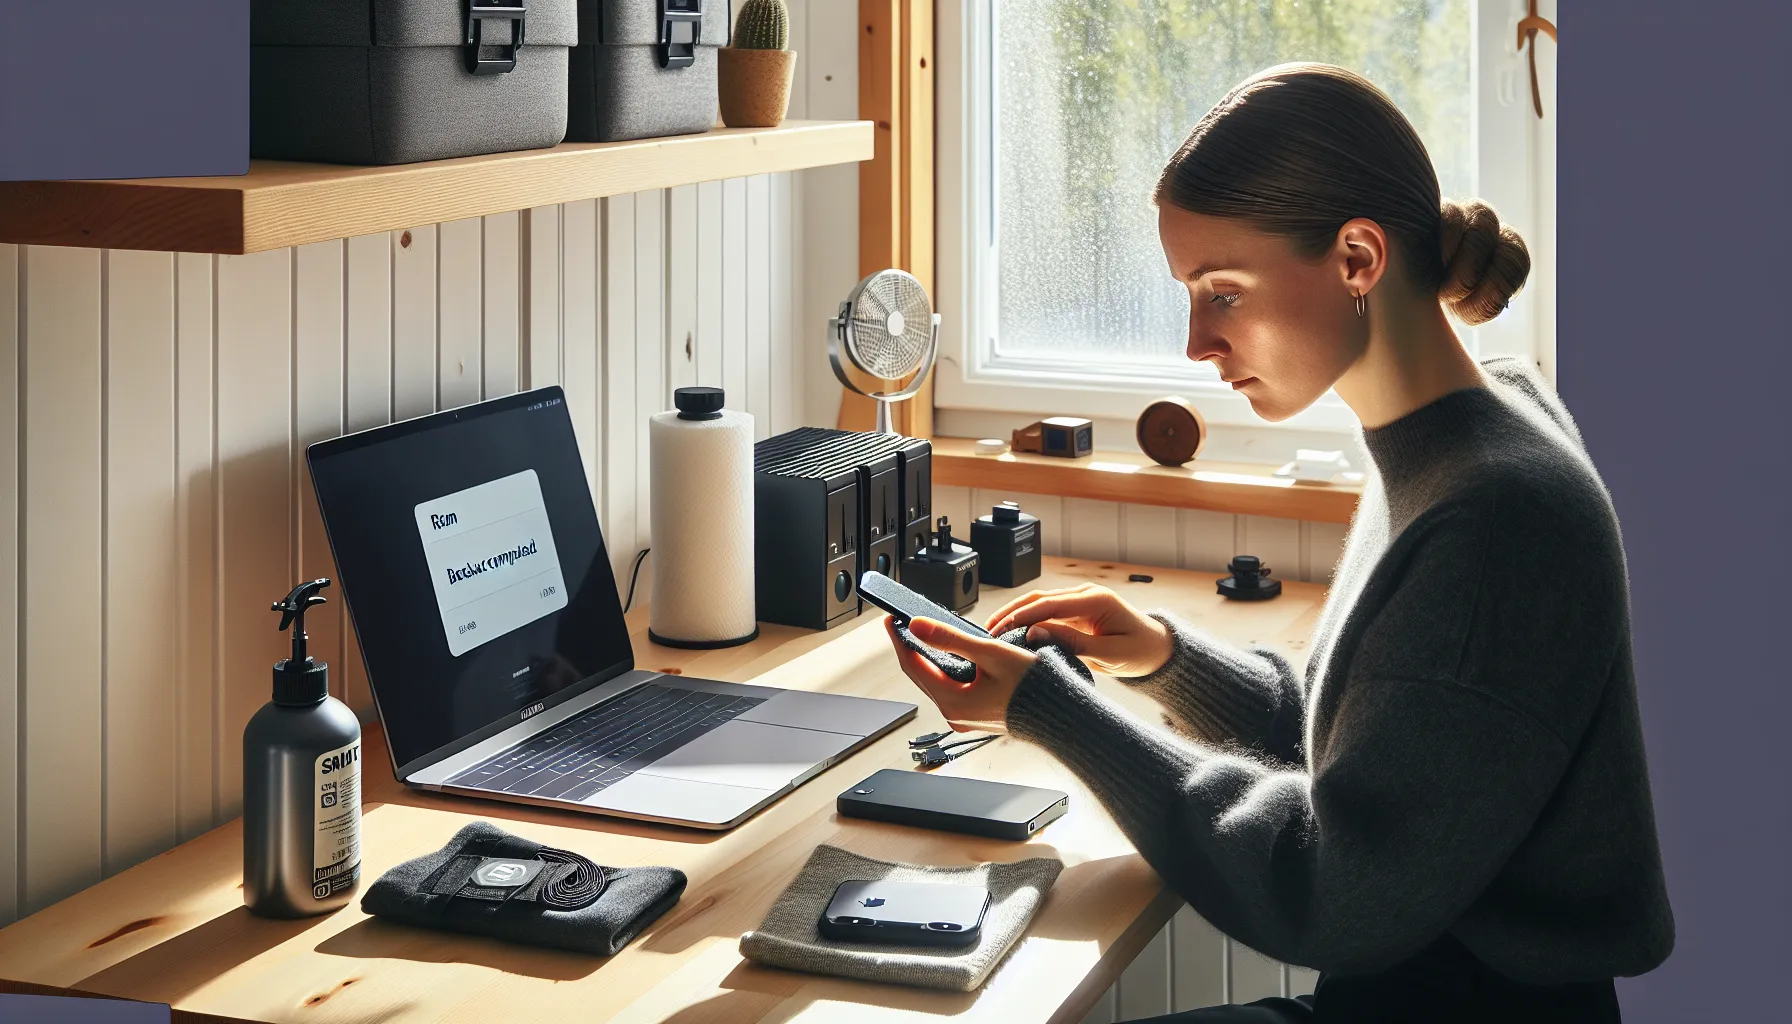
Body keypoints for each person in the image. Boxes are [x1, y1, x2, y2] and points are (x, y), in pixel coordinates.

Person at [881, 63, 1673, 1023]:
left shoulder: (1499, 511)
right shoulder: (1462, 434)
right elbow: (1382, 746)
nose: (1194, 344)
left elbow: (1333, 891)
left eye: (1222, 292)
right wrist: (1164, 659)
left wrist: (1051, 710)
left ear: (1356, 259)